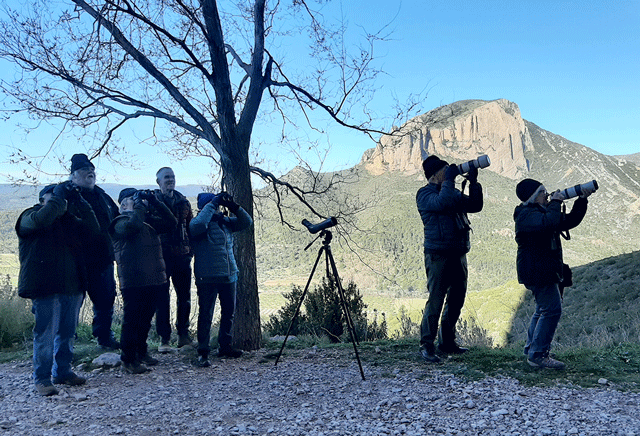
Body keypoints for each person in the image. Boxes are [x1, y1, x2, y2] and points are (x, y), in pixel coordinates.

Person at [16, 183, 100, 395]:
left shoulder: (69, 221)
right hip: (44, 286)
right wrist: (59, 197)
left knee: (67, 333)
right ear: (42, 200)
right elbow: (43, 218)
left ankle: (62, 371)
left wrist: (80, 201)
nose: (60, 203)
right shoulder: (30, 216)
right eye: (53, 199)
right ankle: (42, 379)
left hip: (71, 286)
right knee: (45, 334)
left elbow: (93, 229)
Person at [514, 178, 593, 369]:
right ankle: (538, 355)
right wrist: (556, 202)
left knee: (543, 309)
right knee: (551, 309)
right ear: (533, 196)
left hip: (545, 269)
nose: (546, 195)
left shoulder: (542, 212)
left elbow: (569, 221)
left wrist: (581, 200)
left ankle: (532, 348)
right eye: (542, 192)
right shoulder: (525, 215)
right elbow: (548, 223)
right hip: (536, 271)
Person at [416, 155, 483, 363]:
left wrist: (473, 182)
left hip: (458, 252)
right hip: (438, 254)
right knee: (436, 300)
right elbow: (442, 202)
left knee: (456, 300)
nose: (449, 173)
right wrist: (449, 181)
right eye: (445, 170)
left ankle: (447, 342)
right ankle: (427, 345)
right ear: (436, 174)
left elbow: (474, 205)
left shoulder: (450, 190)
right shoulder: (424, 194)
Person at [109, 188, 178, 374]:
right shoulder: (119, 223)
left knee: (145, 320)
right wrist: (139, 206)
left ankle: (141, 352)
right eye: (133, 200)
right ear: (123, 205)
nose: (139, 203)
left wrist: (155, 202)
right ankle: (128, 360)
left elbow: (172, 222)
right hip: (133, 280)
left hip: (153, 279)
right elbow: (134, 226)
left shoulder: (147, 222)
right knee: (132, 320)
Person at [189, 192, 252, 367]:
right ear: (202, 207)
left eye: (216, 204)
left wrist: (234, 207)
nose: (216, 207)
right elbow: (199, 224)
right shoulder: (197, 224)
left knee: (228, 313)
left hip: (229, 274)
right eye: (211, 204)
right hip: (207, 277)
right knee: (206, 315)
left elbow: (247, 222)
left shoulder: (226, 223)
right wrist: (212, 203)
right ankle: (203, 352)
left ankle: (225, 346)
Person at [66, 153, 121, 349]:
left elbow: (117, 220)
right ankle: (65, 345)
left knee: (105, 301)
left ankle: (104, 339)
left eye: (92, 170)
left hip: (103, 259)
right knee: (71, 305)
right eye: (84, 170)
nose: (90, 173)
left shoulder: (103, 197)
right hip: (75, 261)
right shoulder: (65, 196)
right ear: (73, 176)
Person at [153, 167, 194, 352]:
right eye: (166, 177)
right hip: (159, 258)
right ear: (158, 182)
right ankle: (164, 339)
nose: (171, 180)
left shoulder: (184, 202)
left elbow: (190, 228)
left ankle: (183, 335)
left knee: (184, 298)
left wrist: (189, 251)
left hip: (182, 258)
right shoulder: (151, 202)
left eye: (172, 177)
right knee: (162, 299)